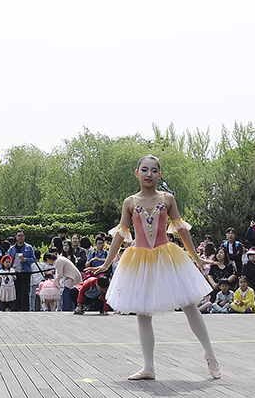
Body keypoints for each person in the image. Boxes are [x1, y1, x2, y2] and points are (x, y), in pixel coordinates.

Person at [85, 155, 220, 380]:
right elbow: (120, 234)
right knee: (143, 312)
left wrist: (197, 256)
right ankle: (148, 367)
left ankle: (210, 353)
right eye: (145, 170)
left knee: (189, 305)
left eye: (154, 170)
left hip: (166, 257)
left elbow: (181, 230)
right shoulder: (130, 202)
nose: (149, 174)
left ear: (159, 174)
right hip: (139, 260)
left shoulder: (167, 199)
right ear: (136, 173)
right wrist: (107, 263)